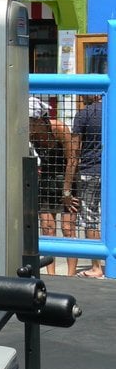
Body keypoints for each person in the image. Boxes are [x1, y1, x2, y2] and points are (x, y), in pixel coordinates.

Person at [28, 97, 76, 276]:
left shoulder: (59, 128)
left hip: (67, 177)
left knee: (68, 228)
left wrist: (67, 190)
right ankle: (51, 274)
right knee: (47, 227)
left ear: (40, 119)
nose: (29, 125)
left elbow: (73, 159)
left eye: (31, 121)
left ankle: (71, 276)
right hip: (47, 177)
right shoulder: (28, 133)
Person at [65, 95, 103, 278]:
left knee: (91, 218)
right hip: (109, 171)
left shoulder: (82, 115)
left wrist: (66, 188)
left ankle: (97, 266)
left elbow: (74, 155)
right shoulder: (110, 112)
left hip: (89, 171)